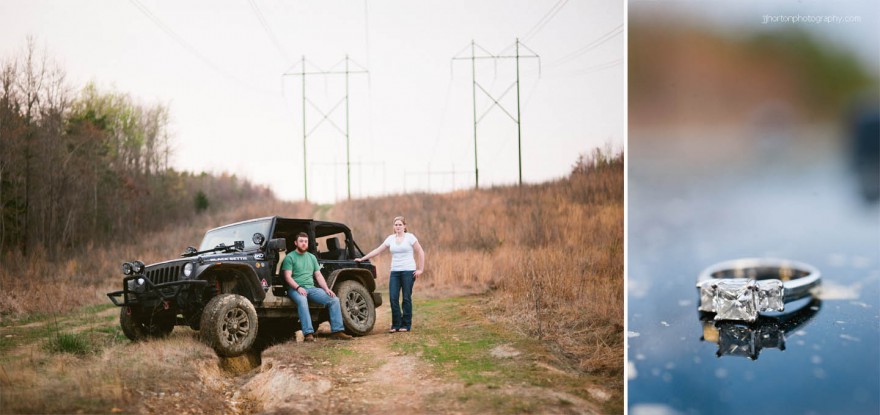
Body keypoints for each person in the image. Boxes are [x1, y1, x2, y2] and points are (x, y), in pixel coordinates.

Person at [355, 216, 425, 333]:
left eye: (400, 224)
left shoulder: (410, 237)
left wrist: (420, 269)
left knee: (406, 298)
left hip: (408, 271)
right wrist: (363, 258)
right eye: (396, 225)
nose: (398, 226)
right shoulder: (390, 239)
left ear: (404, 226)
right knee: (393, 298)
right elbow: (378, 250)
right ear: (394, 226)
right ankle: (396, 324)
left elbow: (420, 251)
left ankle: (406, 324)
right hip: (395, 272)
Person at [282, 232, 353, 341]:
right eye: (301, 241)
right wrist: (298, 288)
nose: (304, 243)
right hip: (294, 289)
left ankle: (337, 331)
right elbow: (287, 277)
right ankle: (308, 334)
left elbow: (318, 276)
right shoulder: (289, 257)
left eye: (305, 241)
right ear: (296, 243)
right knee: (302, 300)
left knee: (334, 299)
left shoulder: (312, 257)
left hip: (311, 289)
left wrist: (326, 289)